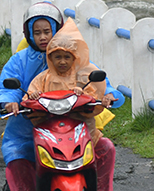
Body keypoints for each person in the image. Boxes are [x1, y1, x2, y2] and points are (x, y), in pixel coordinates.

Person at [0, 2, 120, 191]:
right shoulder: (19, 61)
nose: (42, 37)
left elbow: (97, 80)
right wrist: (8, 101)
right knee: (18, 159)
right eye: (37, 32)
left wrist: (109, 94)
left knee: (105, 149)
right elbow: (8, 86)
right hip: (28, 126)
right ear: (28, 34)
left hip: (74, 124)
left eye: (47, 31)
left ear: (57, 30)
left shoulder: (75, 57)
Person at [27, 18, 107, 146]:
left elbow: (94, 99)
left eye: (67, 57)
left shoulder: (82, 77)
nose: (62, 62)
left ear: (74, 58)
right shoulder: (43, 78)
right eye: (58, 57)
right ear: (50, 58)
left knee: (106, 147)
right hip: (50, 127)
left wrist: (83, 94)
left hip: (80, 126)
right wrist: (33, 95)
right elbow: (30, 95)